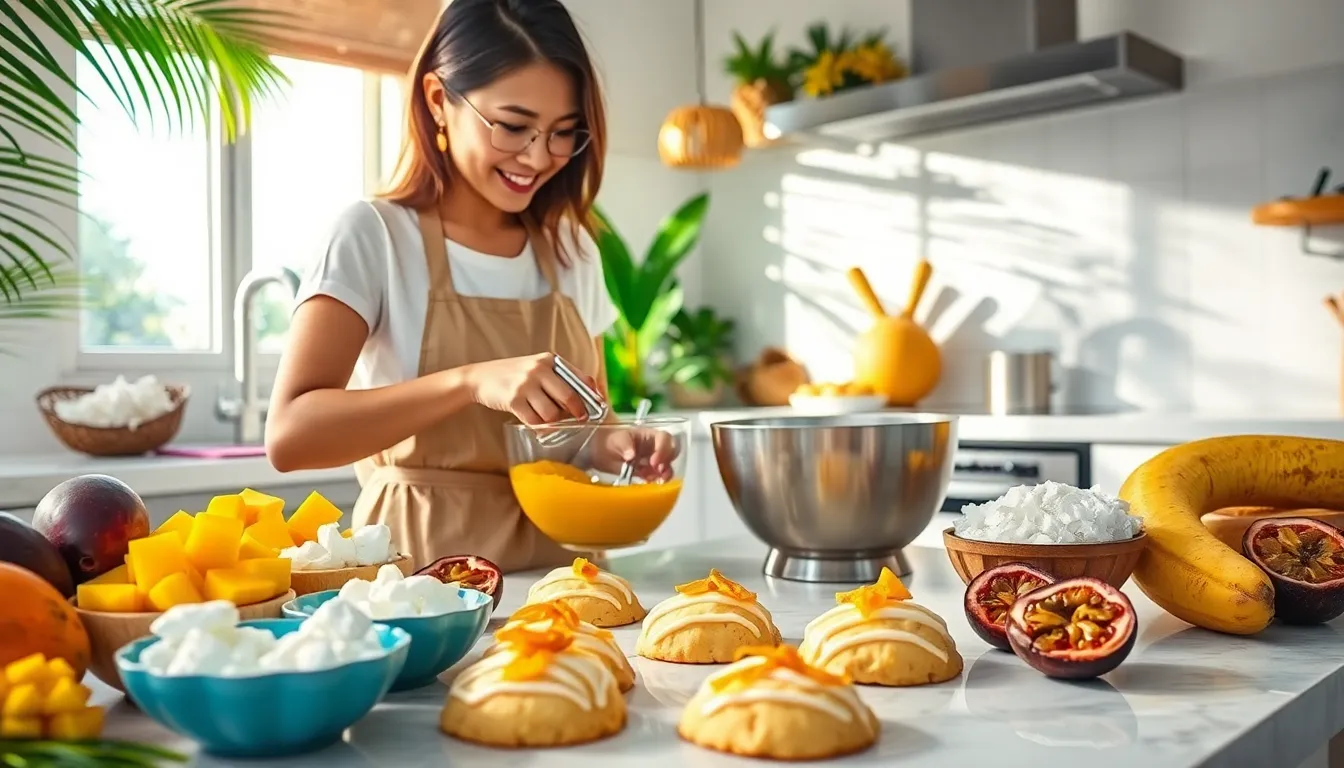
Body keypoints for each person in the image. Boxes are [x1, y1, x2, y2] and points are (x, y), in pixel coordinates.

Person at [265, 0, 676, 574]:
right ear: (439, 100)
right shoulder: (376, 236)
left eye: (563, 133)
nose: (538, 157)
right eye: (512, 126)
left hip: (569, 580)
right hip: (422, 586)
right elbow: (291, 436)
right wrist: (470, 381)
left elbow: (582, 427)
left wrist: (615, 443)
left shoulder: (571, 246)